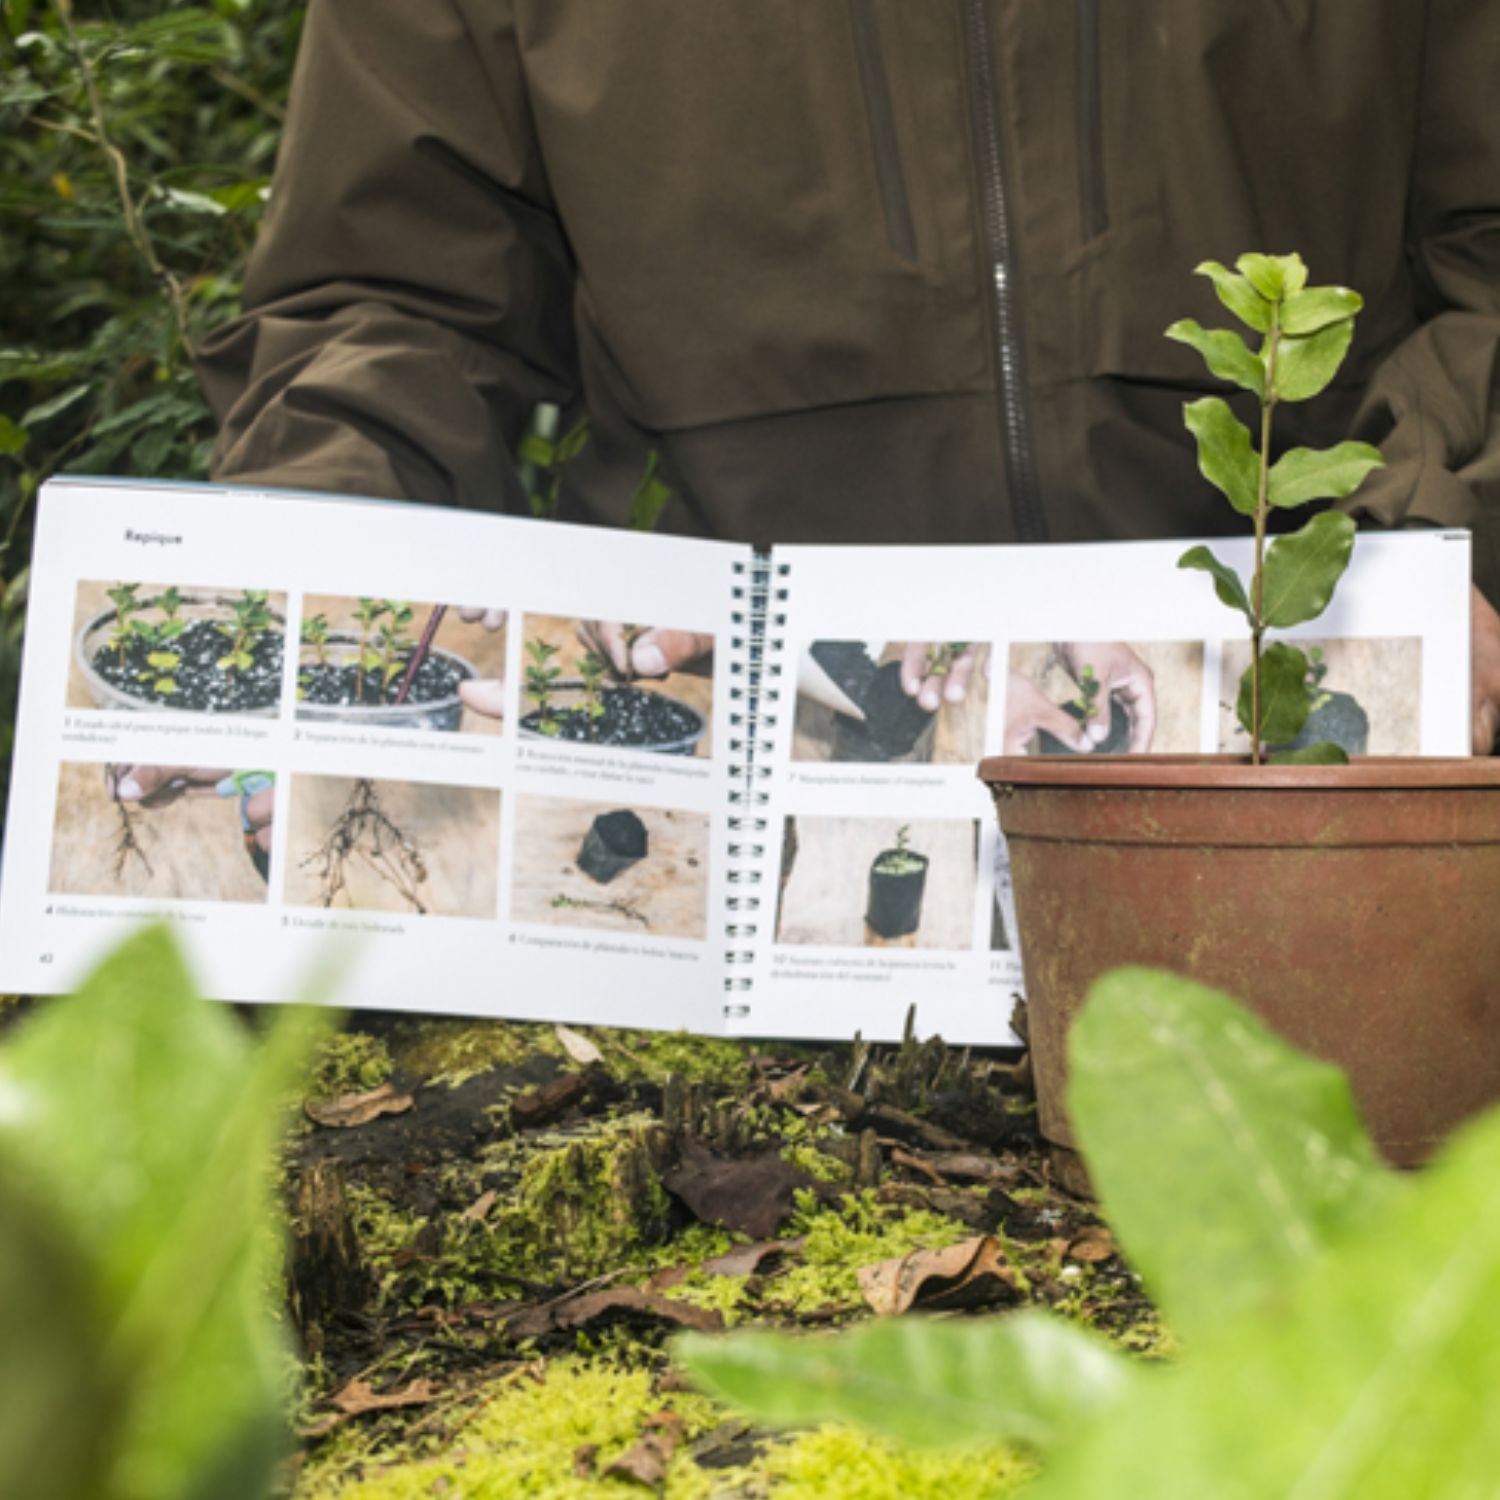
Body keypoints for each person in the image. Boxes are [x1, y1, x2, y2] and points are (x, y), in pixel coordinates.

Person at [196, 1, 1500, 751]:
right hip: (716, 744)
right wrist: (311, 568)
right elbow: (394, 300)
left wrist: (1446, 545)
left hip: (1320, 722)